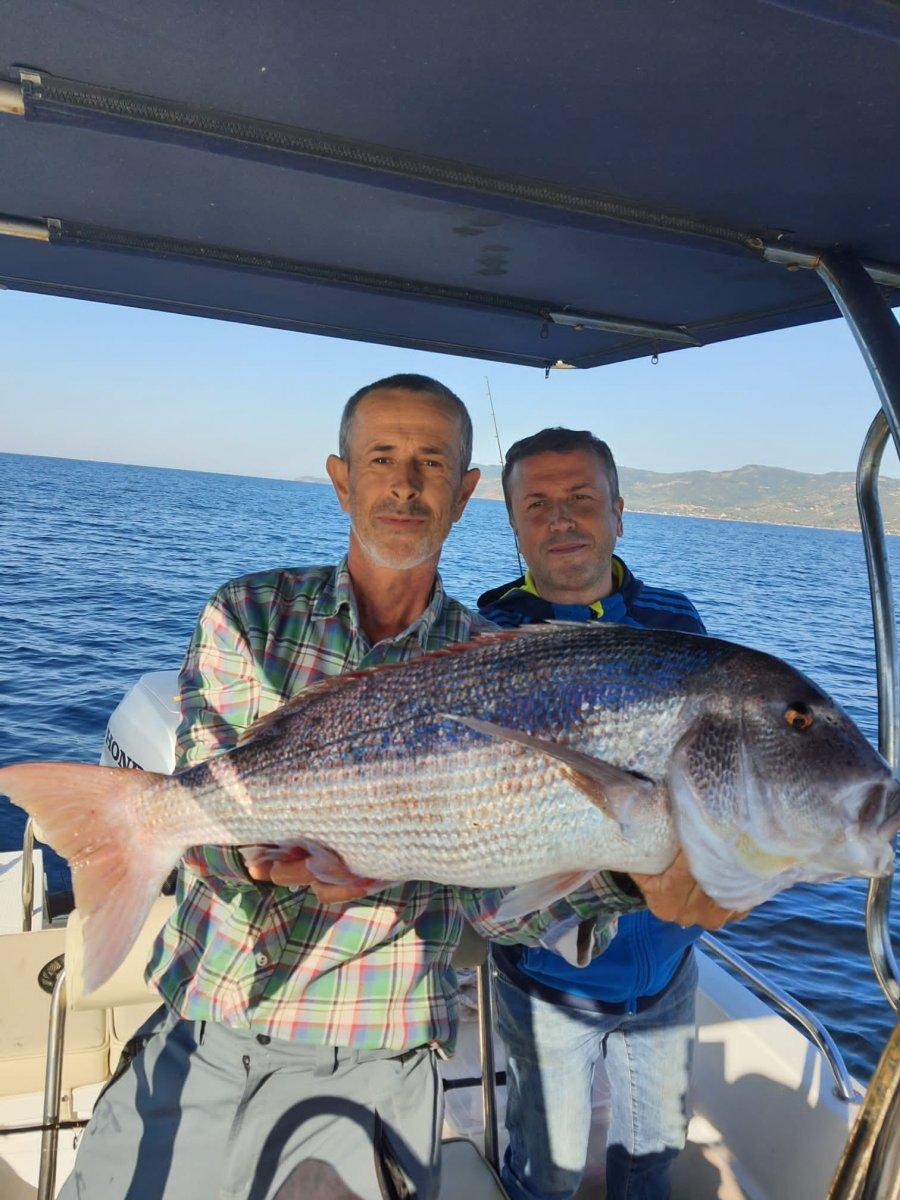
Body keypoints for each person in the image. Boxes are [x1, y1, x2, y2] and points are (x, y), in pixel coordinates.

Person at [58, 379, 658, 1200]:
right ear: (343, 480)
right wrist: (263, 861)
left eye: (431, 462)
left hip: (370, 1050)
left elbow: (497, 895)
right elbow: (216, 826)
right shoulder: (248, 613)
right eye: (382, 459)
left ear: (464, 494)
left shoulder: (499, 663)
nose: (405, 483)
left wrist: (627, 879)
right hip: (199, 1024)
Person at [478, 427, 738, 1200]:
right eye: (539, 505)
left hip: (669, 964)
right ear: (516, 525)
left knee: (655, 1157)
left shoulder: (674, 621)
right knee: (545, 1172)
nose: (562, 519)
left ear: (618, 512)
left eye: (582, 499)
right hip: (548, 974)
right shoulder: (487, 637)